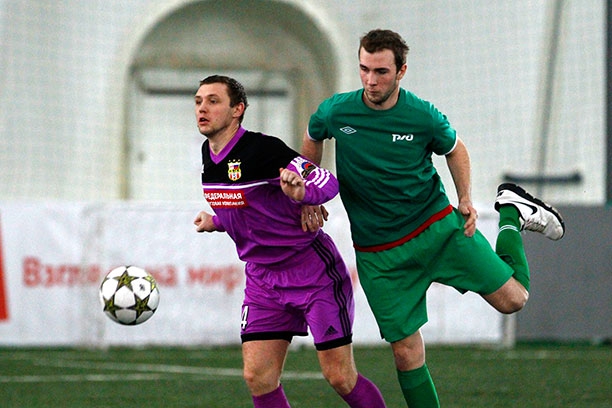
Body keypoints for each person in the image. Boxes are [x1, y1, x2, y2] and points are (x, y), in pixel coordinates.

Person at [300, 29, 565, 407]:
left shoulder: (422, 115)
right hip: (379, 255)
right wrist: (309, 193)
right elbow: (313, 136)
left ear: (401, 71)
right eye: (364, 69)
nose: (371, 80)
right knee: (406, 352)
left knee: (514, 300)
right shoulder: (336, 111)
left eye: (381, 72)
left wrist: (466, 198)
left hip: (437, 229)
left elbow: (455, 149)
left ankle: (511, 212)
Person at [192, 75, 386, 408]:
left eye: (213, 101)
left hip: (312, 272)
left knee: (339, 376)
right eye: (198, 101)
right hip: (263, 280)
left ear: (237, 109)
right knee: (258, 377)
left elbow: (327, 182)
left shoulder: (263, 149)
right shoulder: (209, 155)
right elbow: (248, 205)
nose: (202, 109)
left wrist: (304, 193)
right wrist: (217, 221)